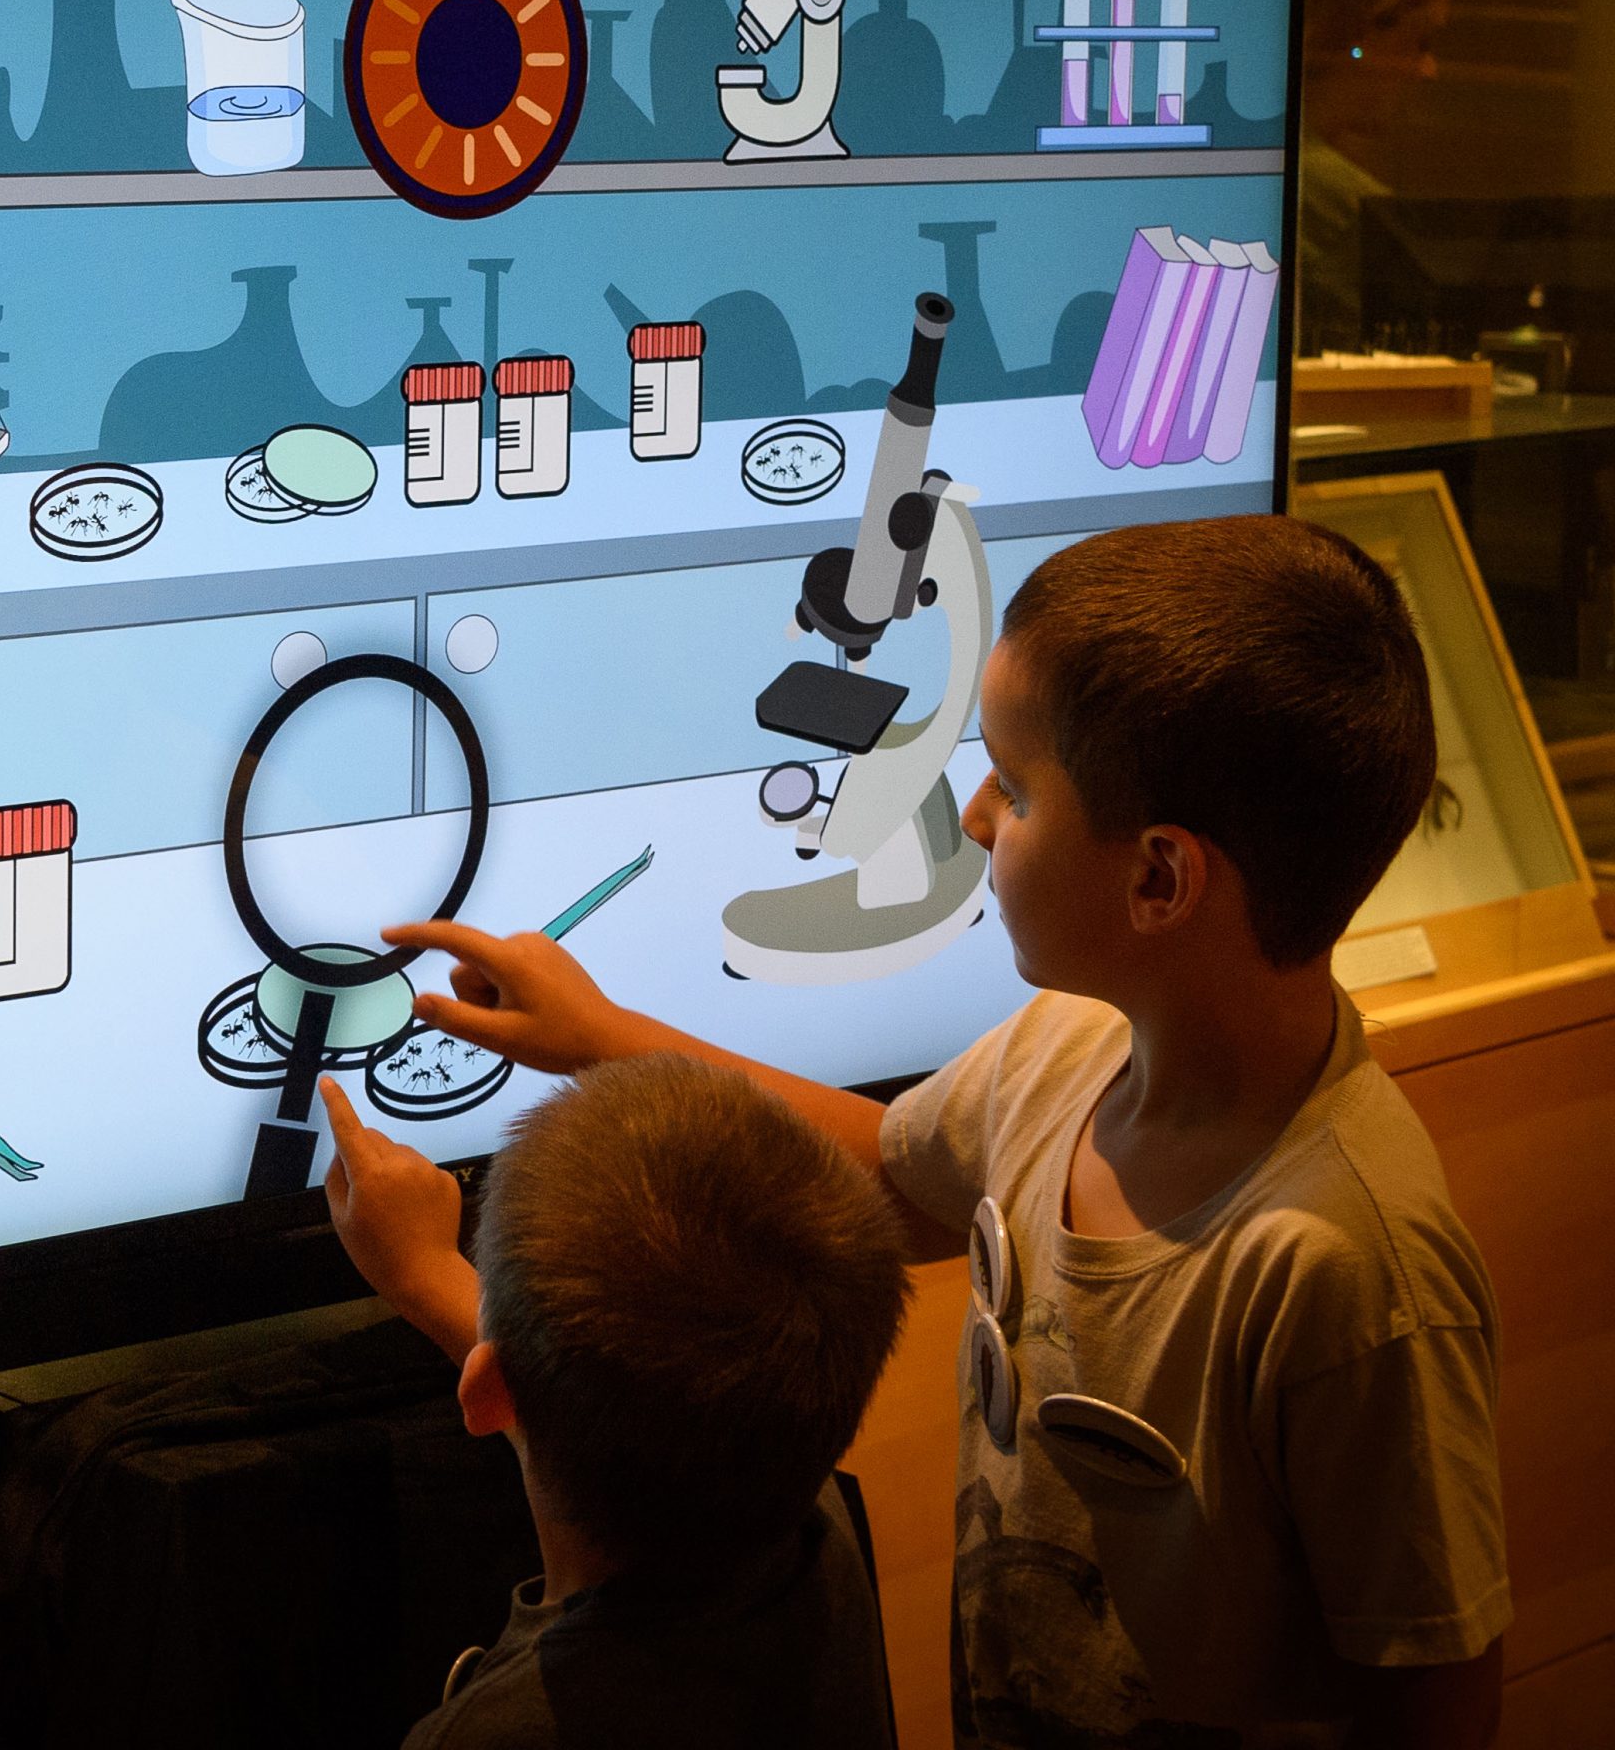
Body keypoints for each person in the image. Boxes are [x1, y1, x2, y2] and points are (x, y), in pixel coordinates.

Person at [330, 516, 1510, 1750]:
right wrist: (599, 1034)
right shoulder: (1066, 1046)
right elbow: (890, 1177)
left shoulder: (1352, 1271)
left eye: (1016, 779)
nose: (979, 810)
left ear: (1158, 880)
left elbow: (1432, 1687)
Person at [321, 1052, 906, 1748]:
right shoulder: (809, 1524)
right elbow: (563, 1393)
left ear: (487, 1397)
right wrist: (428, 1274)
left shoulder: (484, 1735)